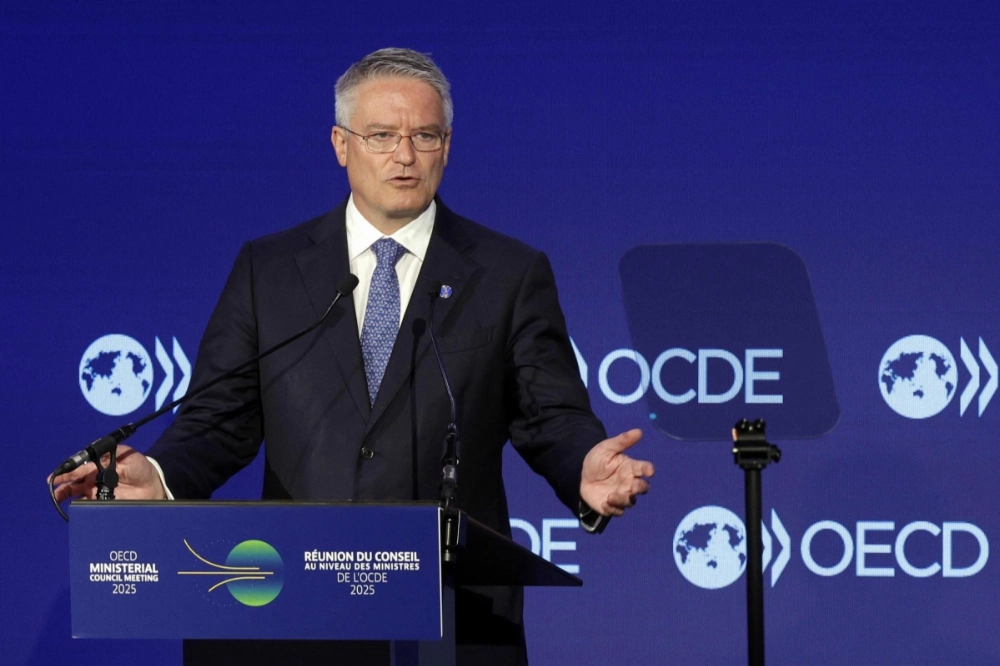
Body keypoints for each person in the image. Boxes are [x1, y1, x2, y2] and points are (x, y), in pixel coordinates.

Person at [54, 47, 654, 665]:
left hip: (451, 611)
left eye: (424, 135)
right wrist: (159, 476)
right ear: (341, 144)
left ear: (447, 146)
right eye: (382, 135)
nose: (404, 155)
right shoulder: (270, 270)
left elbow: (547, 412)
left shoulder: (507, 272)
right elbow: (217, 418)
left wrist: (582, 464)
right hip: (297, 605)